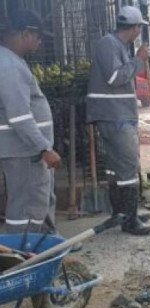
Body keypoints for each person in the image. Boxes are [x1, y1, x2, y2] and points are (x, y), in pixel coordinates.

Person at [86, 6, 150, 235]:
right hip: (113, 116)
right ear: (134, 28)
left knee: (117, 168)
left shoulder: (120, 46)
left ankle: (122, 213)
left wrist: (135, 60)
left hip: (119, 114)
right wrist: (139, 60)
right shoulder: (109, 44)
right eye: (139, 28)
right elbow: (115, 77)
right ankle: (129, 220)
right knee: (127, 167)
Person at [0, 9, 60, 234]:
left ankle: (43, 244)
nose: (40, 42)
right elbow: (19, 116)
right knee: (26, 207)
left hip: (25, 150)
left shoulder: (11, 61)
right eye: (38, 37)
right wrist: (43, 148)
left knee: (37, 200)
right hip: (24, 151)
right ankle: (24, 256)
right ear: (26, 34)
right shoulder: (8, 66)